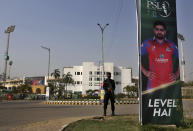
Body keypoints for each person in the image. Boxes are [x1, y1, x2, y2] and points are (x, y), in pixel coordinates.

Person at [141, 21, 180, 90]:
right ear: (154, 30)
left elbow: (182, 59)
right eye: (157, 29)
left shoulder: (171, 45)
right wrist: (145, 72)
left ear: (165, 31)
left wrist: (177, 74)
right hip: (153, 84)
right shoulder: (148, 43)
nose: (159, 32)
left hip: (169, 84)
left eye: (161, 30)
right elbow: (137, 57)